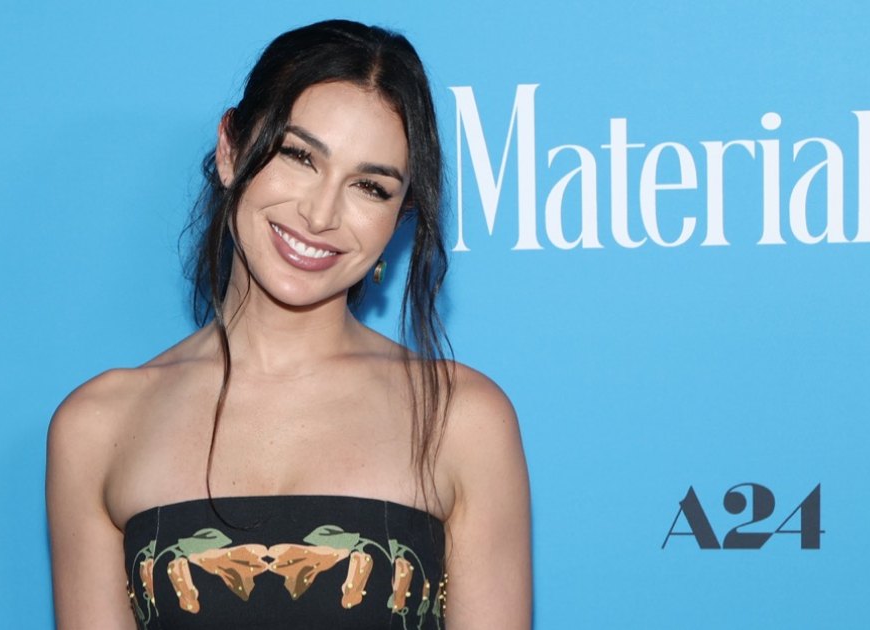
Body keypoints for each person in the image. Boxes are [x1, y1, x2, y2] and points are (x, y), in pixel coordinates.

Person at [46, 19, 530, 629]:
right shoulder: (98, 427)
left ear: (399, 217)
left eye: (370, 187)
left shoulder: (463, 419)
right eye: (299, 156)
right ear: (231, 150)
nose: (320, 214)